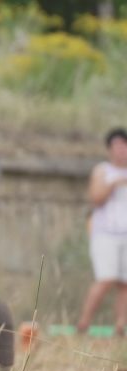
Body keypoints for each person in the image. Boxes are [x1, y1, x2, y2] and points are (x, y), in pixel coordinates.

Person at [77, 127, 127, 336]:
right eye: (116, 146)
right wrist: (115, 183)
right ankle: (83, 325)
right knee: (105, 279)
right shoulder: (102, 171)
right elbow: (96, 198)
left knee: (125, 283)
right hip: (105, 233)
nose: (121, 150)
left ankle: (120, 328)